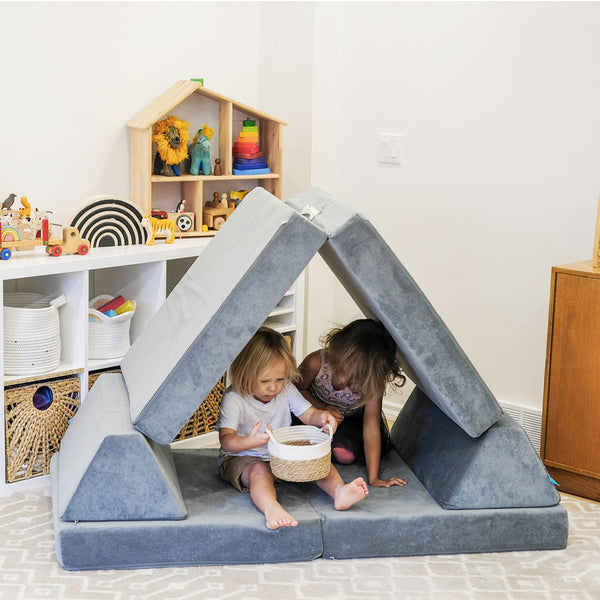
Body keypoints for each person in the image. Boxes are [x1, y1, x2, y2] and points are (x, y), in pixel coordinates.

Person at [217, 327, 369, 530]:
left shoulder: (286, 389)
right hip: (243, 457)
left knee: (318, 461)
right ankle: (272, 509)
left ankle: (339, 492)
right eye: (265, 381)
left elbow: (309, 415)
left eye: (279, 379)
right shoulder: (234, 398)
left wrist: (323, 417)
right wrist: (249, 441)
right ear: (244, 375)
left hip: (281, 456)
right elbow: (226, 440)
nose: (273, 387)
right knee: (259, 472)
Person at [297, 319, 408, 489]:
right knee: (295, 442)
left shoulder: (372, 384)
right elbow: (295, 391)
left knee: (345, 456)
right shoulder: (316, 362)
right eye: (340, 367)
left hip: (346, 421)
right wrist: (320, 407)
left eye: (353, 375)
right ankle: (317, 445)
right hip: (309, 412)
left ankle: (326, 447)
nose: (342, 378)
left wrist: (374, 478)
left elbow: (371, 427)